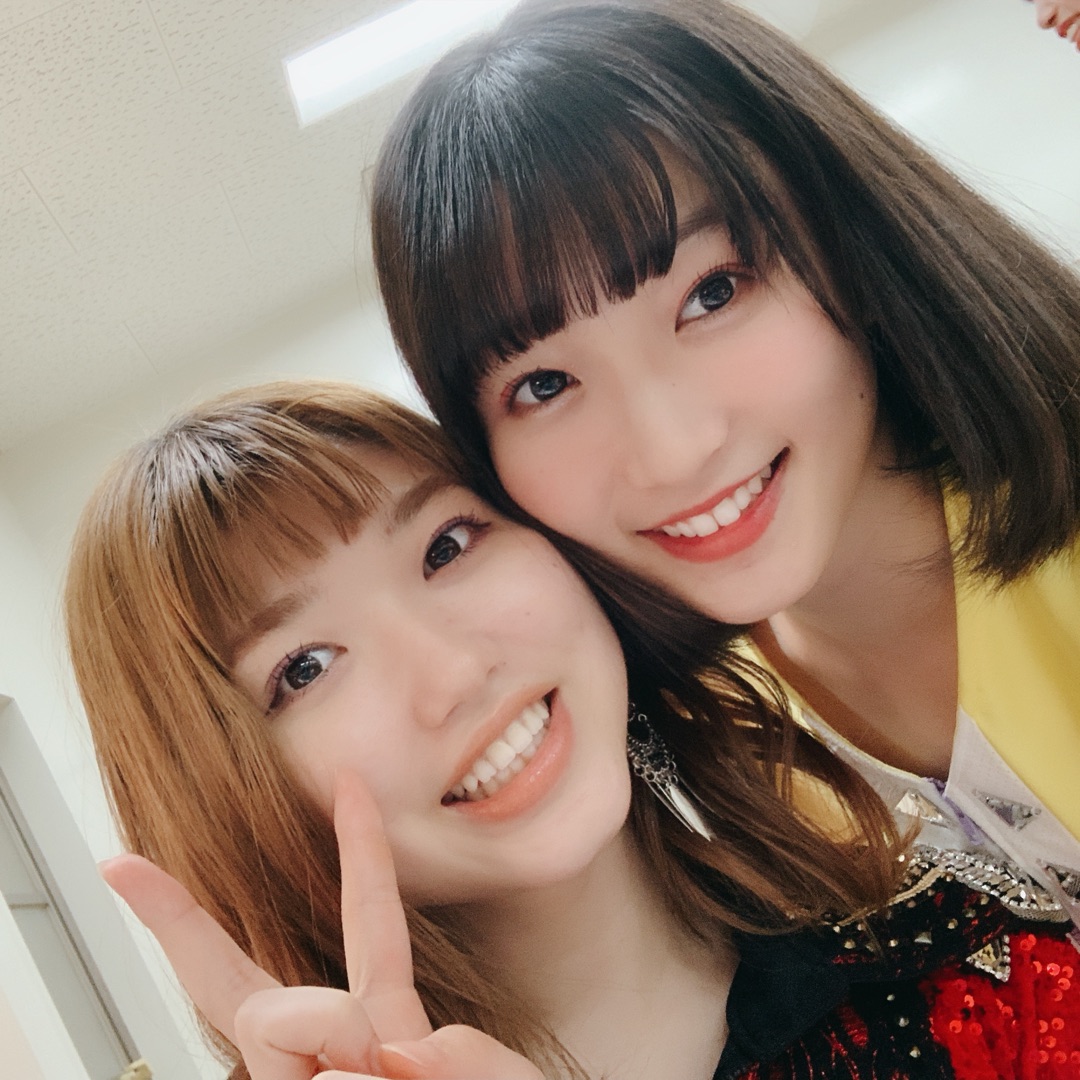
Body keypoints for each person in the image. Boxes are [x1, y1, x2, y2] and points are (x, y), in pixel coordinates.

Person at [67, 381, 1080, 1080]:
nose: (454, 671)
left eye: (446, 546)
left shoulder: (979, 977)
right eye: (305, 668)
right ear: (223, 796)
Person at [370, 0, 1080, 919]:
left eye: (712, 294)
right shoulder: (688, 758)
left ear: (849, 239)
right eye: (543, 385)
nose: (671, 452)